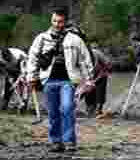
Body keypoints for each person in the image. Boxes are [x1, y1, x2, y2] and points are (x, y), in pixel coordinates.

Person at [25, 8, 95, 152]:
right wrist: (31, 77)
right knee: (53, 112)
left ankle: (69, 141)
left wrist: (89, 80)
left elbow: (84, 60)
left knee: (67, 108)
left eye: (60, 21)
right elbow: (33, 57)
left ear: (65, 21)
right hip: (48, 80)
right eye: (55, 21)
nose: (57, 24)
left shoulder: (75, 40)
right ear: (52, 21)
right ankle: (56, 141)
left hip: (68, 81)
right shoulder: (42, 38)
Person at [81, 46, 112, 116]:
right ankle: (90, 109)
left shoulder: (97, 53)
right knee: (88, 92)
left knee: (100, 92)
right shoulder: (81, 56)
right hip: (89, 75)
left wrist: (104, 72)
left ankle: (99, 110)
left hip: (101, 74)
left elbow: (108, 63)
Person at [1, 47, 28, 111]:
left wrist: (16, 83)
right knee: (8, 86)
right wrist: (8, 76)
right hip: (10, 70)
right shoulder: (1, 57)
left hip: (20, 69)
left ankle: (23, 106)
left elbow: (23, 73)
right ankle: (4, 105)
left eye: (9, 59)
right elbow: (2, 68)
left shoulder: (21, 56)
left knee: (22, 85)